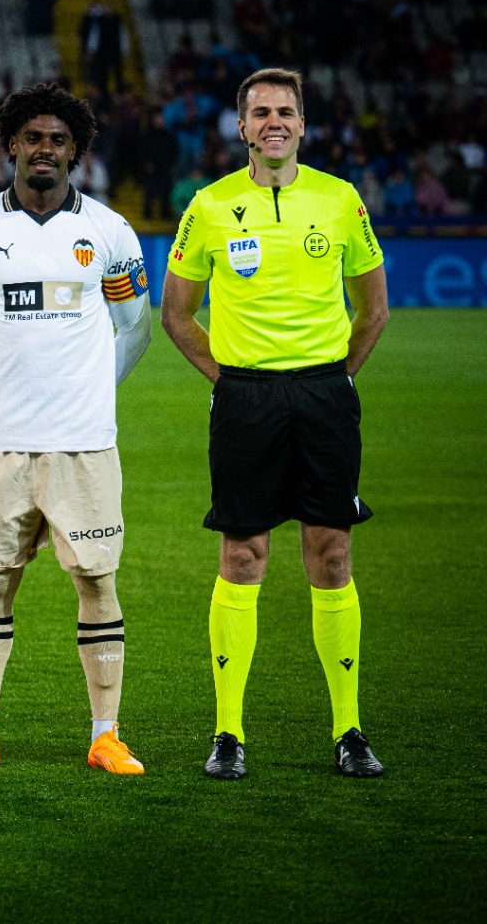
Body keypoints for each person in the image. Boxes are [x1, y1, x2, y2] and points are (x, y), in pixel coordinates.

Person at [161, 67, 388, 780]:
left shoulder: (339, 201)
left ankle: (348, 729)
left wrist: (336, 377)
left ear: (301, 121)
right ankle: (229, 733)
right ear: (242, 126)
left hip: (323, 396)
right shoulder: (211, 205)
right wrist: (228, 380)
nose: (274, 123)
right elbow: (176, 312)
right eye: (260, 112)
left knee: (332, 554)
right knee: (243, 556)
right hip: (246, 402)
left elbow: (373, 306)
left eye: (285, 111)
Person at [0, 81, 152, 776]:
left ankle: (106, 734)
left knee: (97, 580)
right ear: (10, 147)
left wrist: (86, 392)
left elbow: (135, 329)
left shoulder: (110, 233)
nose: (45, 151)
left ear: (77, 152)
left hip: (85, 444)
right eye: (33, 139)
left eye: (59, 140)